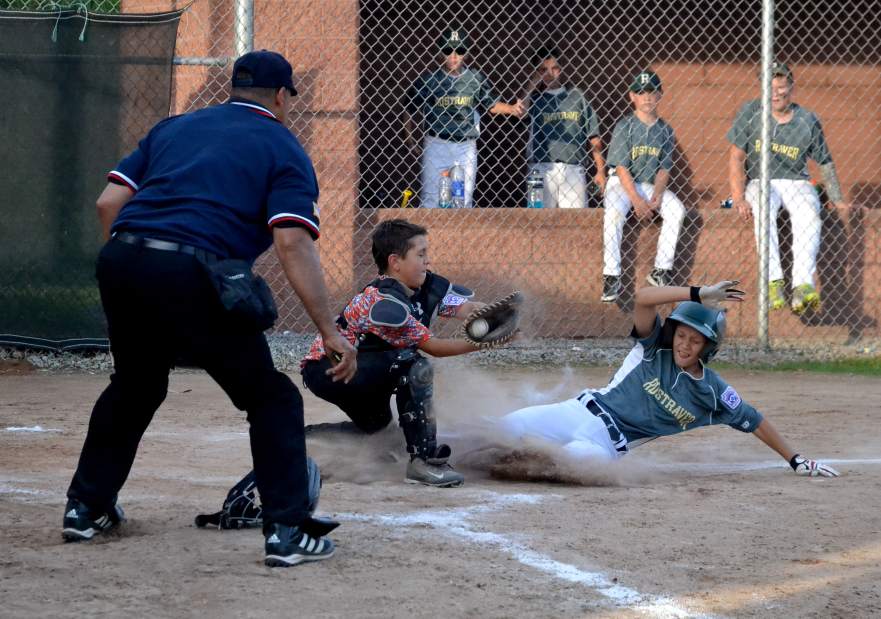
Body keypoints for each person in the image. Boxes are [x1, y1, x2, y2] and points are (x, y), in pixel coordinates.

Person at [62, 50, 357, 568]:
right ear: (282, 96)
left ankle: (86, 508)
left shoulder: (175, 127)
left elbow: (108, 203)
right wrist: (328, 330)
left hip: (122, 259)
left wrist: (136, 261)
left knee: (135, 385)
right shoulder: (283, 145)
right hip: (195, 272)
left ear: (234, 88)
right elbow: (292, 242)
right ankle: (288, 531)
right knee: (272, 399)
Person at [499, 281, 840, 478]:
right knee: (503, 427)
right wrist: (697, 293)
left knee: (574, 464)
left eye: (696, 340)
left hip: (606, 444)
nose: (685, 344)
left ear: (709, 348)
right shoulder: (654, 348)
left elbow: (755, 421)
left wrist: (795, 460)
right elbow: (644, 298)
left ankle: (522, 458)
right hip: (577, 411)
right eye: (682, 335)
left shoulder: (712, 392)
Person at [301, 218, 486, 486]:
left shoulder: (424, 286)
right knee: (414, 366)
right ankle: (422, 463)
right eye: (420, 255)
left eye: (427, 254)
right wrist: (484, 342)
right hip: (331, 369)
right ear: (395, 262)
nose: (427, 261)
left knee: (385, 439)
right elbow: (433, 347)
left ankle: (307, 438)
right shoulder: (383, 302)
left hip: (366, 367)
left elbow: (464, 308)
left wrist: (496, 315)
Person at [727, 62, 851, 315]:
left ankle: (802, 285)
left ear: (791, 88)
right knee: (763, 209)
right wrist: (738, 197)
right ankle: (774, 282)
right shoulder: (751, 112)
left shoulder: (807, 119)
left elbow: (825, 162)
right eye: (769, 87)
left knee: (810, 214)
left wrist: (837, 199)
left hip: (796, 181)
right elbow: (736, 157)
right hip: (761, 181)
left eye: (781, 86)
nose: (775, 93)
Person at [404, 27, 525, 209]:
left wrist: (511, 108)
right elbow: (409, 106)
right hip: (437, 143)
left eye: (459, 51)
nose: (453, 56)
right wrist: (411, 140)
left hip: (465, 146)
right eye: (448, 51)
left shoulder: (474, 78)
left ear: (466, 54)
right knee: (430, 199)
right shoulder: (430, 80)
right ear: (440, 53)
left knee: (462, 201)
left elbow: (491, 105)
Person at [601, 70, 686, 303]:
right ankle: (611, 276)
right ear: (632, 97)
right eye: (640, 92)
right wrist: (637, 201)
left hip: (649, 185)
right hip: (622, 183)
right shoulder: (625, 125)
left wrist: (657, 196)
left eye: (651, 92)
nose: (646, 97)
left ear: (659, 95)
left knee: (677, 210)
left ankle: (661, 270)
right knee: (615, 213)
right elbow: (621, 168)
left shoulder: (665, 130)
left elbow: (664, 169)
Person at [522, 48, 606, 209]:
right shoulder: (534, 99)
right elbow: (520, 112)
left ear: (561, 70)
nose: (549, 74)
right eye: (543, 70)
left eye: (554, 68)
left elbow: (594, 137)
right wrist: (532, 84)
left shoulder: (577, 96)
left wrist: (600, 171)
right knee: (535, 220)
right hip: (539, 169)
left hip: (573, 168)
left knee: (576, 222)